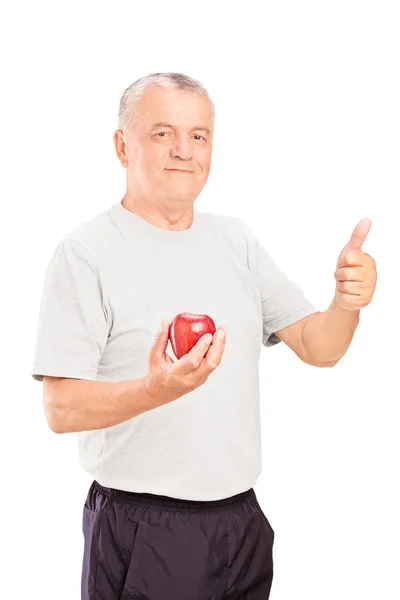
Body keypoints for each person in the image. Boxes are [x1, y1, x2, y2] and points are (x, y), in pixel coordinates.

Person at [31, 72, 377, 600]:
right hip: (144, 526)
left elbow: (319, 345)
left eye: (199, 135)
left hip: (240, 521)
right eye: (162, 133)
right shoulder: (86, 253)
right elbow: (60, 408)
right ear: (123, 146)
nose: (183, 151)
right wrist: (155, 391)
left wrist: (347, 304)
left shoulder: (234, 239)